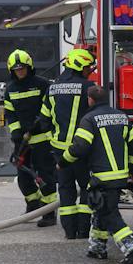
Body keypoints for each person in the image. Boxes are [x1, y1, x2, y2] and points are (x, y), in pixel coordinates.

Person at [63, 84, 133, 264]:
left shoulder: (89, 119)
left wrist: (63, 161)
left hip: (102, 177)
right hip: (119, 176)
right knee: (101, 209)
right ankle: (97, 248)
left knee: (109, 213)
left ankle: (132, 247)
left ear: (90, 100)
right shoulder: (122, 117)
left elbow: (80, 147)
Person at [41, 47, 97, 240]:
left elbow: (43, 120)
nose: (89, 71)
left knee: (65, 190)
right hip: (81, 149)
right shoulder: (88, 87)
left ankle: (69, 232)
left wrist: (52, 140)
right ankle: (83, 231)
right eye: (88, 67)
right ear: (80, 66)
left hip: (59, 150)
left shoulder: (52, 88)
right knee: (86, 188)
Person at [1, 49, 58, 227]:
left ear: (29, 67)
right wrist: (16, 133)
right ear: (12, 70)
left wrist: (41, 122)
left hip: (42, 139)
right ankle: (33, 205)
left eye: (23, 69)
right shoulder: (10, 90)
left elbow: (50, 106)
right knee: (24, 176)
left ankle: (48, 213)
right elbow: (10, 114)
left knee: (46, 175)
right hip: (23, 141)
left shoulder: (42, 84)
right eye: (17, 70)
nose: (20, 72)